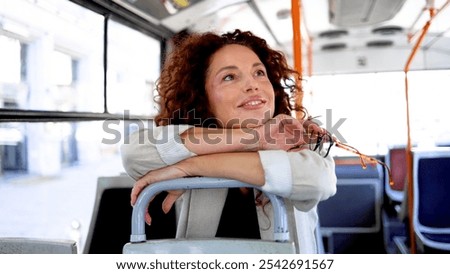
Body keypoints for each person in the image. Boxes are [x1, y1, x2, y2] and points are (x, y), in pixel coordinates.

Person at [120, 29, 337, 253]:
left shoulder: (302, 135)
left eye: (259, 73)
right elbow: (133, 153)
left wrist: (189, 167)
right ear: (202, 96)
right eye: (229, 77)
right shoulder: (196, 140)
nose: (253, 85)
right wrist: (258, 138)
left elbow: (318, 179)